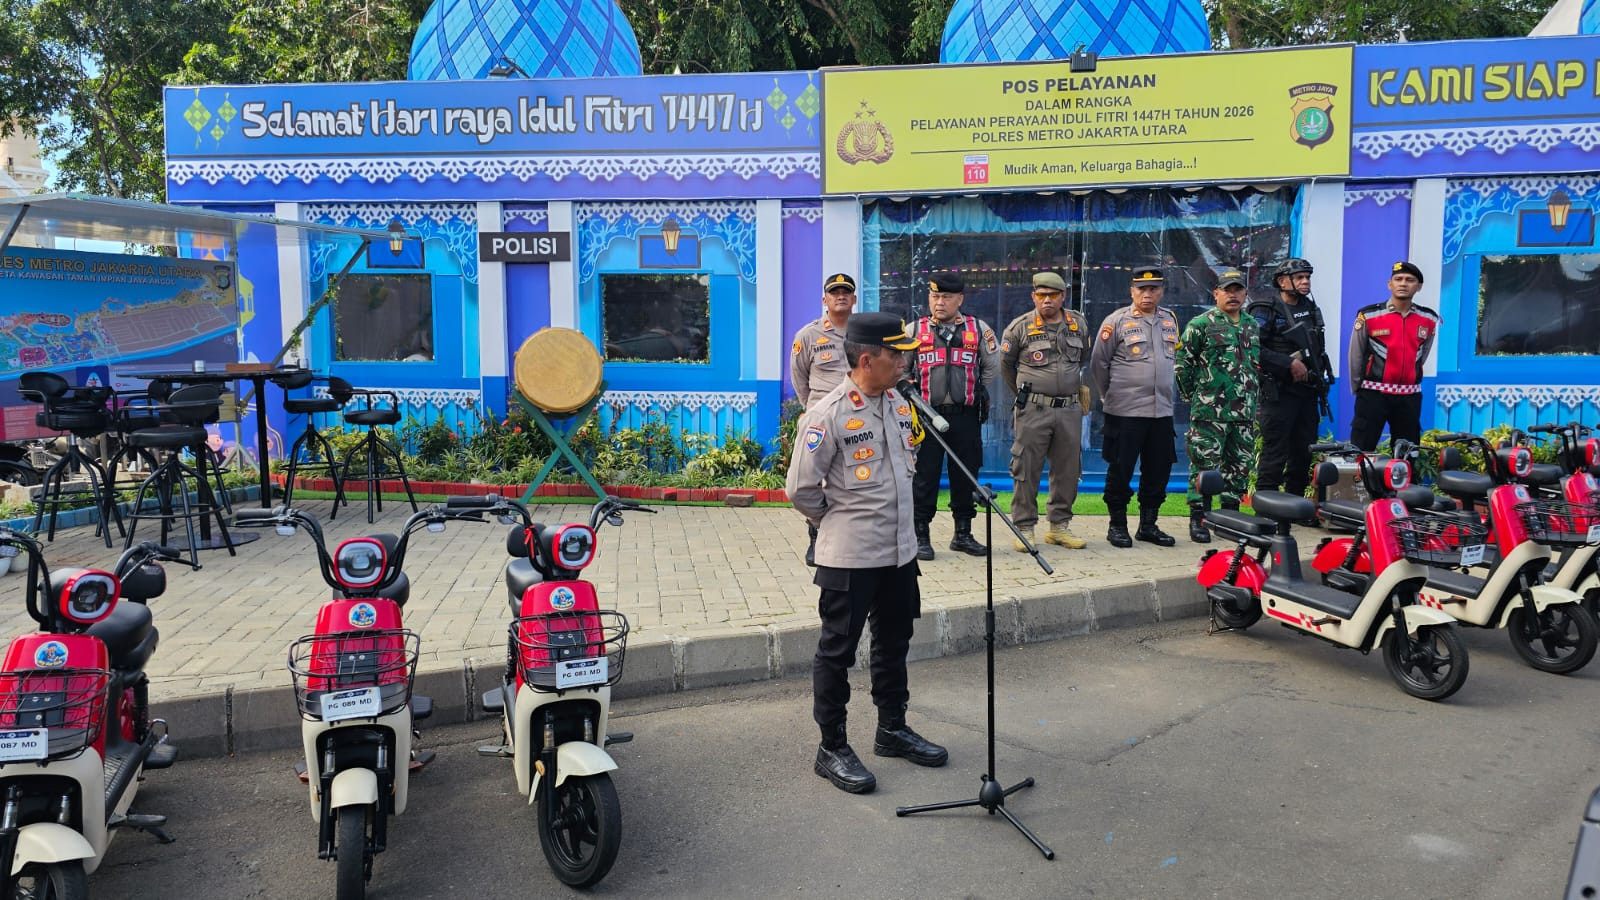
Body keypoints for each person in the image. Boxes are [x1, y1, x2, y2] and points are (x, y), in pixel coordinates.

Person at [785, 312, 948, 794]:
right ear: (866, 359)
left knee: (894, 641)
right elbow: (800, 490)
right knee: (837, 651)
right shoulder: (827, 413)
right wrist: (834, 522)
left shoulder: (900, 404)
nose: (904, 361)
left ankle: (891, 728)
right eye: (895, 354)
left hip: (899, 554)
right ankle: (831, 745)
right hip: (850, 557)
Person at [908, 274, 999, 559]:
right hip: (926, 417)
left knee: (966, 475)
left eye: (946, 297)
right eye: (935, 297)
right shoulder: (914, 330)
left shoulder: (978, 328)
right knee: (925, 476)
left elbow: (991, 367)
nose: (940, 302)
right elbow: (901, 369)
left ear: (960, 299)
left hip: (965, 416)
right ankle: (920, 535)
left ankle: (963, 534)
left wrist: (974, 390)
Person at [999, 271, 1091, 551]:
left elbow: (1083, 360)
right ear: (1033, 297)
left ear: (1063, 296)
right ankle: (1025, 528)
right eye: (1041, 295)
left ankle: (1059, 527)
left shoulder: (1078, 324)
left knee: (1067, 469)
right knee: (1026, 468)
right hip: (1034, 409)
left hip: (1069, 410)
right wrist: (1027, 395)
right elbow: (1006, 366)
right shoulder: (1020, 327)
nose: (1047, 300)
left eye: (1052, 295)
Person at [1090, 266, 1180, 548]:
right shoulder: (1115, 321)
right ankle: (1117, 526)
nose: (1148, 294)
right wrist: (1109, 397)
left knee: (1158, 470)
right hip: (1125, 412)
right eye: (1142, 289)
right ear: (1132, 291)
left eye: (1154, 289)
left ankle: (1148, 526)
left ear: (1161, 291)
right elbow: (1098, 364)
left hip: (1161, 412)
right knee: (1120, 469)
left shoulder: (1170, 320)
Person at [1176, 269, 1261, 542]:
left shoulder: (1251, 325)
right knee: (1203, 463)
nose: (1233, 294)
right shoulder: (1200, 324)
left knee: (1239, 466)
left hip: (1243, 413)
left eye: (1238, 290)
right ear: (1216, 294)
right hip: (1210, 411)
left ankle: (1229, 518)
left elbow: (1254, 366)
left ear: (1245, 294)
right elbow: (1183, 366)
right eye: (1227, 290)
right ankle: (1199, 517)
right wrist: (1197, 396)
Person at [790, 272, 859, 565]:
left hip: (857, 416)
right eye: (834, 292)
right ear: (825, 300)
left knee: (852, 474)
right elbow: (799, 377)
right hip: (821, 417)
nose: (840, 296)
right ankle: (815, 535)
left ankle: (852, 534)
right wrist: (814, 408)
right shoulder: (809, 335)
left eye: (845, 292)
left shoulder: (863, 333)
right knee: (814, 477)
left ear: (854, 299)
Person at [1250, 257, 1329, 497]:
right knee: (1275, 450)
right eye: (1300, 278)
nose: (1305, 282)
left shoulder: (1311, 308)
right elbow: (1253, 348)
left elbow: (1318, 348)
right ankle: (1267, 503)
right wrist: (1288, 363)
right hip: (1279, 393)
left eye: (1307, 277)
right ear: (1283, 281)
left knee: (1303, 451)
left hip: (1307, 391)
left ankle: (1295, 503)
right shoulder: (1265, 309)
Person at [1348, 261, 1440, 450]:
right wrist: (1359, 388)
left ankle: (1405, 481)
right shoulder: (1369, 315)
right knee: (1362, 449)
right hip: (1374, 394)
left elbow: (1422, 355)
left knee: (1408, 452)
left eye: (1409, 280)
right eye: (1398, 279)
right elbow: (1355, 355)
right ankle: (1363, 481)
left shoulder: (1429, 318)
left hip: (1409, 397)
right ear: (1389, 284)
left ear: (1419, 287)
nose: (1403, 283)